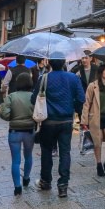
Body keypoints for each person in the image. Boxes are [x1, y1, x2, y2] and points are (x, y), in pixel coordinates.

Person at [31, 55, 85, 198]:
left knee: (47, 151)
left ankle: (46, 181)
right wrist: (73, 106)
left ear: (49, 63)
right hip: (66, 121)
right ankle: (63, 185)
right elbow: (81, 98)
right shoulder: (73, 78)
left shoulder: (44, 78)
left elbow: (33, 99)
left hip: (48, 121)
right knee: (65, 152)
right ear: (63, 63)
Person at [0, 72, 36, 195]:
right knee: (28, 156)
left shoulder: (11, 96)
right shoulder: (33, 96)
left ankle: (17, 187)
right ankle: (26, 178)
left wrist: (11, 117)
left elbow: (4, 114)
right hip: (30, 130)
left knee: (15, 160)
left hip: (14, 131)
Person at [71, 52, 97, 123]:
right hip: (81, 99)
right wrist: (76, 77)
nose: (84, 60)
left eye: (86, 58)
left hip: (94, 99)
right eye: (82, 58)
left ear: (91, 58)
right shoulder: (76, 70)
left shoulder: (96, 69)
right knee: (83, 122)